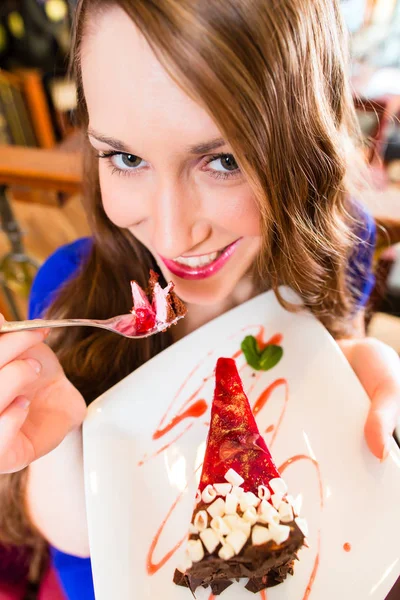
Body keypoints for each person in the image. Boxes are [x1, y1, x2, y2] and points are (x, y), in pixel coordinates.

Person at [0, 0, 399, 598]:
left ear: (304, 141)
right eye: (126, 157)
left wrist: (355, 361)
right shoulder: (67, 289)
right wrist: (54, 442)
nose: (169, 235)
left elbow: (331, 352)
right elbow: (79, 545)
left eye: (224, 160)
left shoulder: (345, 246)